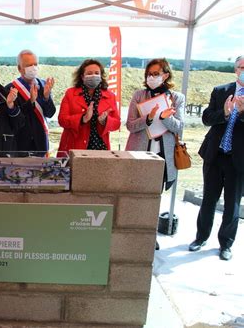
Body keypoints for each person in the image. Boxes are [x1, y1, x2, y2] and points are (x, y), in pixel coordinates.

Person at [125, 58, 185, 251]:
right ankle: (130, 232)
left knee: (154, 197)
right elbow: (130, 125)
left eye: (156, 74)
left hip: (163, 157)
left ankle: (149, 236)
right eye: (149, 74)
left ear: (165, 75)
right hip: (139, 154)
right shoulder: (139, 95)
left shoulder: (177, 98)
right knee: (135, 196)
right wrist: (147, 118)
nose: (151, 77)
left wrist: (167, 119)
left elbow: (179, 128)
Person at [188, 55, 244, 261]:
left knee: (232, 204)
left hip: (238, 160)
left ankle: (226, 244)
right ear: (235, 69)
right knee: (208, 199)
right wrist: (225, 112)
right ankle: (200, 237)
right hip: (215, 154)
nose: (243, 70)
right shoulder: (221, 91)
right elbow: (206, 118)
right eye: (241, 67)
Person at [57, 59, 120, 155]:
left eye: (96, 73)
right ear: (82, 76)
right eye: (89, 73)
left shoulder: (110, 96)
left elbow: (117, 123)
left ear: (101, 76)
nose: (93, 76)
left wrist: (105, 121)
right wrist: (83, 118)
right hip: (74, 147)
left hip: (100, 148)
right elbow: (62, 120)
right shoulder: (70, 94)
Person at [4, 50, 56, 155]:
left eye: (35, 64)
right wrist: (30, 102)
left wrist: (46, 97)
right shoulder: (11, 89)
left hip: (41, 143)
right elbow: (15, 120)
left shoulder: (43, 85)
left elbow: (50, 113)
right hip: (21, 146)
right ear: (19, 68)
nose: (33, 68)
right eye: (29, 65)